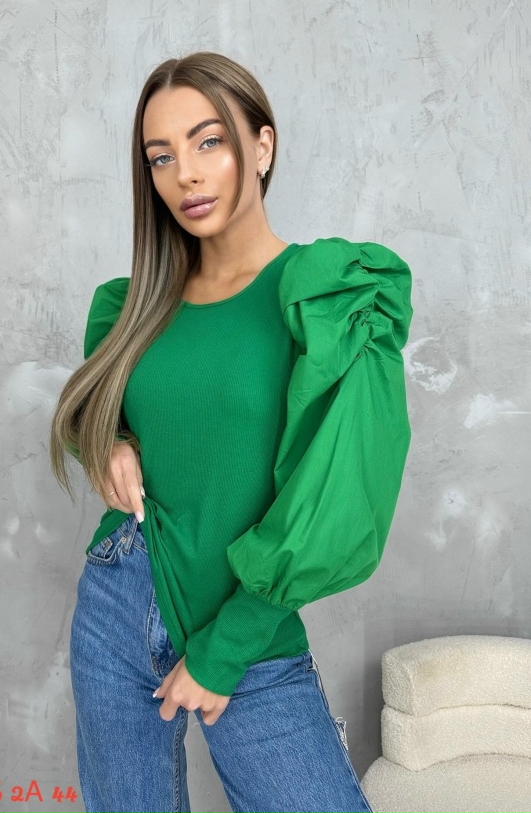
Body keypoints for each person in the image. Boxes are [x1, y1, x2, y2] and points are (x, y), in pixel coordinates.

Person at [49, 50, 413, 813]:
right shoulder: (135, 304)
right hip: (117, 604)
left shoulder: (328, 297)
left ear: (263, 145)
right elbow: (94, 406)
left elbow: (342, 501)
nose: (185, 173)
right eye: (161, 156)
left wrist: (227, 646)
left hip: (246, 627)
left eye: (208, 141)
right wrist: (108, 442)